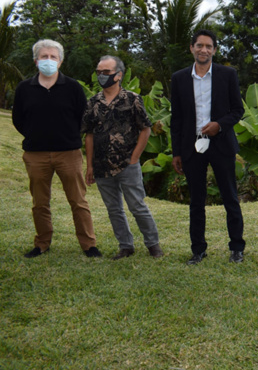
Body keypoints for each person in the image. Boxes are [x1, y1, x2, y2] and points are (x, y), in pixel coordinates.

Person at [12, 39, 101, 258]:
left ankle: (88, 244)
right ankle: (42, 243)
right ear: (36, 61)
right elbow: (18, 120)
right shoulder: (24, 88)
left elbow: (84, 118)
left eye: (53, 57)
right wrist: (36, 135)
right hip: (35, 154)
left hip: (68, 153)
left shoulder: (72, 87)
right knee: (40, 202)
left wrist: (67, 137)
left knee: (78, 201)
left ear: (60, 62)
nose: (48, 61)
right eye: (44, 56)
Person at [171, 29, 246, 265]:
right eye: (199, 45)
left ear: (214, 50)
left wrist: (219, 126)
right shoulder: (180, 78)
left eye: (209, 46)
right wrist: (176, 152)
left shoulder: (227, 74)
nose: (204, 50)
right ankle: (198, 250)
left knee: (230, 197)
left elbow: (238, 111)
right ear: (192, 47)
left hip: (221, 144)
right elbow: (177, 118)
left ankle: (236, 248)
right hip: (191, 146)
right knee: (196, 200)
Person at [83, 56, 163, 260]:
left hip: (128, 164)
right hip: (101, 166)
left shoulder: (132, 99)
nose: (102, 76)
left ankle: (153, 245)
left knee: (137, 206)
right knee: (114, 209)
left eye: (106, 72)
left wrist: (135, 157)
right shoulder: (92, 102)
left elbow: (145, 130)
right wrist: (90, 165)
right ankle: (126, 246)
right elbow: (89, 135)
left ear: (119, 75)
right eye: (99, 71)